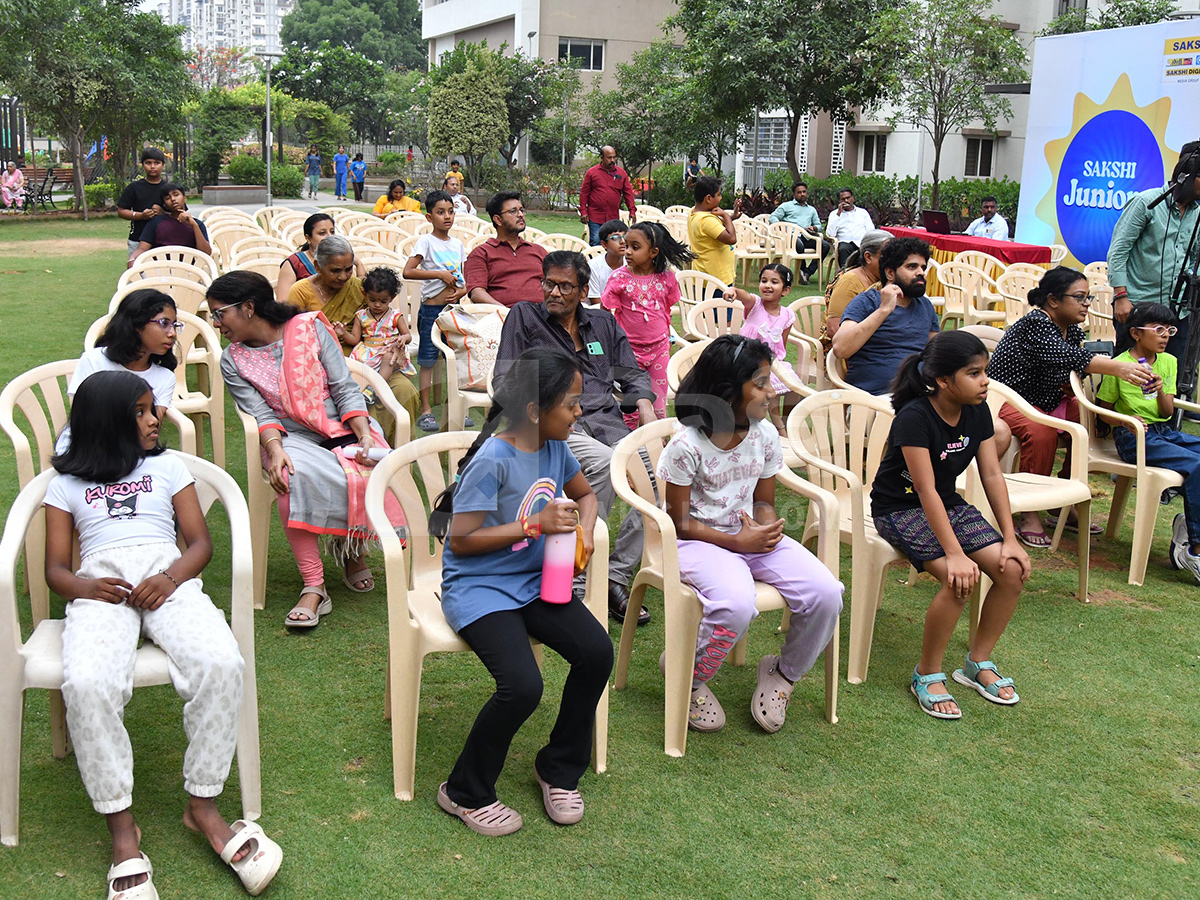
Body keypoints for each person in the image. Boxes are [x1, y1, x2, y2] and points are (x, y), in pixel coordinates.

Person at [45, 370, 283, 898]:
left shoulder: (168, 467)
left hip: (168, 581)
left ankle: (203, 805)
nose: (157, 419)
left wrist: (170, 578)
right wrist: (87, 587)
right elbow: (55, 570)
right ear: (106, 421)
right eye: (141, 411)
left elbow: (199, 544)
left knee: (222, 663)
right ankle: (122, 829)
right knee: (86, 684)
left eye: (153, 408)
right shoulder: (65, 486)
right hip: (102, 590)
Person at [431, 347, 611, 836]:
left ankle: (558, 768)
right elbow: (461, 541)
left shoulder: (555, 447)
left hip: (534, 581)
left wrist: (585, 531)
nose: (579, 412)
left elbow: (586, 495)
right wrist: (534, 524)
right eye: (571, 404)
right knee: (523, 686)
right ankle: (464, 791)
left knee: (596, 653)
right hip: (480, 587)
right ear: (534, 410)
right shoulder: (494, 457)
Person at [661, 335, 844, 733]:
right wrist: (735, 542)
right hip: (694, 540)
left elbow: (764, 500)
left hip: (745, 537)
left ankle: (783, 674)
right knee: (736, 605)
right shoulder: (686, 445)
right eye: (760, 383)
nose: (771, 391)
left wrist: (763, 524)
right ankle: (688, 673)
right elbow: (677, 521)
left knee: (827, 593)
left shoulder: (762, 434)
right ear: (727, 392)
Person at [212, 271, 405, 627]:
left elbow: (343, 386)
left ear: (248, 307)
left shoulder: (308, 328)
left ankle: (350, 550)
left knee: (363, 466)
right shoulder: (232, 359)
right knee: (288, 474)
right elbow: (260, 413)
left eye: (219, 313)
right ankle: (314, 585)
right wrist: (275, 449)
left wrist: (363, 434)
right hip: (288, 436)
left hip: (342, 424)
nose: (216, 323)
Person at [871, 330, 1031, 719]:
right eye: (974, 373)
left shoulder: (978, 409)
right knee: (960, 579)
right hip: (899, 508)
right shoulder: (914, 417)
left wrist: (1010, 538)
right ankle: (926, 673)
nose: (985, 381)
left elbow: (991, 474)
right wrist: (955, 554)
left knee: (1012, 570)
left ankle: (978, 662)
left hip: (946, 504)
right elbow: (924, 490)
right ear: (943, 380)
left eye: (984, 371)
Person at [496, 251, 657, 625]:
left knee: (652, 475)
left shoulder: (602, 323)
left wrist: (645, 405)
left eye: (565, 286)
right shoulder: (525, 317)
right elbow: (504, 379)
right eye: (548, 283)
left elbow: (631, 374)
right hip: (554, 426)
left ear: (584, 290)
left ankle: (614, 576)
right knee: (606, 465)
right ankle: (577, 578)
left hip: (606, 423)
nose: (554, 292)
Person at [988, 266, 1153, 546]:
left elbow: (1071, 366)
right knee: (1042, 431)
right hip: (1005, 398)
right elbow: (1066, 356)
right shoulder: (1035, 324)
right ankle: (1029, 511)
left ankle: (1061, 499)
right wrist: (1119, 368)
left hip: (1045, 399)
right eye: (1079, 297)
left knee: (1086, 421)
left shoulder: (1072, 331)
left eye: (1088, 297)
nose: (1087, 304)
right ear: (1053, 300)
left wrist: (1069, 382)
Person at [1094, 302, 1200, 580]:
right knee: (1196, 465)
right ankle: (1195, 549)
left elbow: (1166, 412)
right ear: (1136, 333)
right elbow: (1103, 411)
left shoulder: (1169, 362)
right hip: (1132, 437)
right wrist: (1126, 421)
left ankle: (1189, 526)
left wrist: (1161, 389)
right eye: (1159, 329)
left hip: (1163, 432)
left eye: (1170, 330)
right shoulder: (1119, 365)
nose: (1165, 336)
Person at [56, 289, 180, 454]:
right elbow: (83, 418)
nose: (172, 333)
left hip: (132, 453)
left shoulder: (165, 377)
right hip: (84, 451)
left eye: (175, 325)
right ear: (136, 324)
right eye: (164, 323)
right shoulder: (94, 361)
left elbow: (148, 431)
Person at [1108, 142, 1200, 357]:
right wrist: (1120, 296)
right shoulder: (1145, 203)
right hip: (1137, 308)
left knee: (1173, 371)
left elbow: (1195, 256)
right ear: (1185, 177)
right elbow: (1118, 251)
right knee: (1132, 371)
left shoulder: (1197, 213)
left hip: (1179, 312)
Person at [599, 221, 691, 426]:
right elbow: (605, 311)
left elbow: (666, 309)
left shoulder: (667, 278)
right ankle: (630, 442)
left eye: (635, 247)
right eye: (626, 245)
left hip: (659, 350)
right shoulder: (619, 278)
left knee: (658, 406)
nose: (627, 251)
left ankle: (659, 442)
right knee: (630, 408)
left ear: (653, 252)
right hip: (628, 352)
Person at [831, 237, 940, 396]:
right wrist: (884, 310)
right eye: (911, 267)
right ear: (890, 273)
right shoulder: (867, 302)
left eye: (923, 267)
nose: (921, 273)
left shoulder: (925, 306)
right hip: (872, 398)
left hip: (919, 396)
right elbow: (841, 348)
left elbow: (937, 353)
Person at [402, 189, 469, 433]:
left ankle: (456, 405)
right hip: (432, 311)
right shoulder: (426, 242)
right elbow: (408, 271)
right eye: (441, 212)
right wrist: (439, 274)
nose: (447, 216)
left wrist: (462, 291)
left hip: (454, 310)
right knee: (428, 359)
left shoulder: (458, 244)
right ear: (429, 217)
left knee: (456, 358)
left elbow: (464, 279)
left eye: (451, 211)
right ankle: (426, 410)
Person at [343, 266, 420, 445]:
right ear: (365, 295)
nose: (377, 305)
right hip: (367, 351)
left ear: (392, 298)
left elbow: (407, 335)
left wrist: (402, 339)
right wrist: (342, 332)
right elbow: (354, 339)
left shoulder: (395, 316)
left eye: (383, 301)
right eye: (373, 300)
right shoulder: (361, 316)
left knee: (388, 357)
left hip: (387, 349)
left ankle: (374, 389)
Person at [726, 263, 799, 433]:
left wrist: (776, 365)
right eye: (764, 281)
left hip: (773, 362)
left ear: (785, 290)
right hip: (748, 361)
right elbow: (744, 296)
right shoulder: (755, 305)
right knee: (771, 388)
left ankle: (788, 422)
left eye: (774, 282)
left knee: (795, 387)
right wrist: (733, 290)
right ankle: (779, 427)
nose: (767, 285)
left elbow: (781, 345)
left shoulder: (787, 315)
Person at [465, 191, 548, 308]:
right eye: (513, 211)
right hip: (503, 315)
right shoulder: (481, 254)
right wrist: (508, 313)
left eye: (521, 210)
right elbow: (477, 293)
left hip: (542, 313)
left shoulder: (538, 251)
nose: (520, 215)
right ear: (498, 219)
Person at [286, 235, 366, 354]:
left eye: (348, 269)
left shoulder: (359, 288)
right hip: (315, 357)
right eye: (335, 271)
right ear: (317, 266)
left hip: (358, 356)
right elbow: (295, 337)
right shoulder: (300, 291)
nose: (343, 277)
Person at [275, 213, 366, 304]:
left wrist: (358, 264)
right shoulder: (294, 264)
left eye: (332, 231)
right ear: (308, 238)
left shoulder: (343, 259)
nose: (329, 236)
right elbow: (283, 303)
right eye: (322, 233)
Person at [822, 229, 890, 344]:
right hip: (846, 349)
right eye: (887, 256)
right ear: (868, 257)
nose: (893, 262)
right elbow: (834, 329)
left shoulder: (888, 281)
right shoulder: (850, 281)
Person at [129, 183, 211, 264]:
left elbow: (206, 253)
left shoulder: (197, 224)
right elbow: (142, 248)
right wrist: (132, 259)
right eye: (168, 198)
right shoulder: (155, 223)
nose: (173, 199)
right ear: (165, 205)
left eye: (176, 195)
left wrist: (194, 225)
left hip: (190, 269)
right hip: (160, 268)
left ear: (184, 198)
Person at [688, 175, 741, 290]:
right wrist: (725, 215)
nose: (721, 198)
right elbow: (731, 239)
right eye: (719, 194)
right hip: (716, 280)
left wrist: (731, 217)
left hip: (705, 277)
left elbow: (715, 228)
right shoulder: (705, 220)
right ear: (708, 198)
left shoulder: (694, 212)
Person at [769, 182, 829, 284]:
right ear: (794, 194)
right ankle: (802, 271)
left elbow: (818, 225)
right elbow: (772, 217)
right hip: (791, 237)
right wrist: (783, 228)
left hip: (807, 236)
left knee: (825, 246)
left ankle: (807, 273)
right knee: (799, 245)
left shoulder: (811, 210)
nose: (802, 194)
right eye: (799, 192)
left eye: (804, 192)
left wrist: (813, 228)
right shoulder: (786, 206)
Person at [578, 145, 637, 244]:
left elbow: (628, 193)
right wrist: (583, 211)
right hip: (595, 216)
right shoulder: (592, 172)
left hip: (612, 217)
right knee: (596, 240)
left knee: (613, 243)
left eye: (614, 157)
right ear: (602, 158)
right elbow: (584, 193)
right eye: (609, 158)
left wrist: (632, 210)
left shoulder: (621, 173)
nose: (612, 160)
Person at [117, 148, 166, 257]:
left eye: (157, 163)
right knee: (136, 266)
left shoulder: (169, 189)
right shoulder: (134, 187)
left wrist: (163, 213)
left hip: (163, 240)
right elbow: (121, 211)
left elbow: (180, 213)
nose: (152, 166)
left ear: (163, 165)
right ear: (142, 165)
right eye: (148, 163)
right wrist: (140, 215)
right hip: (138, 239)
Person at [825, 188, 875, 269]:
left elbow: (871, 230)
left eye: (848, 198)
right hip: (844, 243)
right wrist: (838, 214)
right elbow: (830, 234)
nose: (846, 201)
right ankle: (846, 273)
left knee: (868, 251)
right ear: (839, 201)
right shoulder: (834, 214)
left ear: (853, 198)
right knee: (843, 249)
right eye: (843, 199)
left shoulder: (862, 212)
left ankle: (863, 275)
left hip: (861, 243)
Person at [587, 219, 627, 303]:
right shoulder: (593, 267)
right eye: (615, 238)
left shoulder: (632, 264)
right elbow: (595, 301)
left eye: (625, 237)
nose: (623, 241)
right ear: (604, 244)